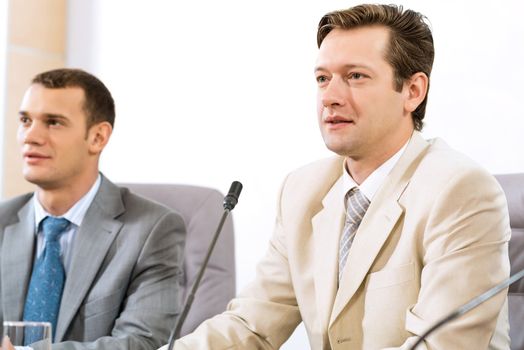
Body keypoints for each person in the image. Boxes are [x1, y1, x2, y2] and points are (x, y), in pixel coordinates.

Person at [166, 4, 510, 350]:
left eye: (355, 76)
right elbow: (252, 326)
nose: (330, 97)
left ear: (412, 91)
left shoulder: (460, 190)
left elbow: (440, 346)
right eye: (322, 79)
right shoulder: (302, 190)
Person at [0, 68, 185, 349]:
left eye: (53, 122)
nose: (31, 136)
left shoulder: (151, 230)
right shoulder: (2, 221)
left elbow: (139, 343)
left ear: (98, 137)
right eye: (25, 120)